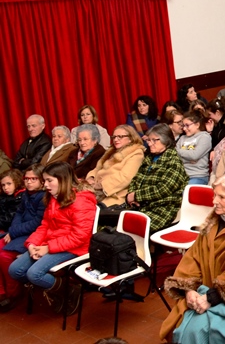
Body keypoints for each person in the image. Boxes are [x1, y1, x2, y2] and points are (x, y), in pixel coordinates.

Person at [159, 174, 225, 341]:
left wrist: (212, 297)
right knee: (178, 326)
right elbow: (194, 256)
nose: (214, 201)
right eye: (214, 195)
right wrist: (189, 289)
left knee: (195, 332)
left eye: (222, 197)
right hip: (201, 293)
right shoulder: (213, 220)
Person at [9, 162, 95, 315]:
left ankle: (69, 289)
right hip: (52, 243)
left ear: (62, 180)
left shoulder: (81, 201)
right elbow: (45, 225)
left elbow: (80, 236)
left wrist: (48, 248)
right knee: (15, 270)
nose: (45, 185)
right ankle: (60, 288)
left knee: (34, 274)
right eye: (45, 180)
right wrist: (32, 244)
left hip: (73, 247)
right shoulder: (54, 197)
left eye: (49, 180)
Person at [126, 124, 189, 232]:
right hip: (141, 205)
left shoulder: (174, 162)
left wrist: (136, 195)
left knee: (129, 229)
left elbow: (163, 189)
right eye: (149, 140)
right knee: (112, 227)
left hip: (162, 208)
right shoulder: (149, 158)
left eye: (154, 140)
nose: (149, 144)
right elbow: (136, 179)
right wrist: (131, 195)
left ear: (166, 140)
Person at [0, 165, 45, 311]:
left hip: (32, 234)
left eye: (33, 179)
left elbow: (37, 223)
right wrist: (13, 230)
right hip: (19, 232)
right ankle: (1, 291)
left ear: (42, 181)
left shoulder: (43, 197)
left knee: (5, 255)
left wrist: (14, 232)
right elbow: (18, 214)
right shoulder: (26, 194)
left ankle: (14, 294)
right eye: (27, 179)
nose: (29, 182)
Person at [85, 125, 145, 210]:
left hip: (115, 195)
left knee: (86, 209)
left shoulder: (136, 154)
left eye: (120, 137)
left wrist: (101, 185)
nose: (116, 139)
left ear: (131, 138)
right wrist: (91, 177)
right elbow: (97, 169)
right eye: (114, 137)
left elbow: (125, 178)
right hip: (96, 190)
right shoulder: (111, 151)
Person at [176, 111, 213, 185]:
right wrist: (189, 159)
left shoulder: (204, 137)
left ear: (197, 125)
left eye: (187, 125)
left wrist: (180, 152)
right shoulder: (182, 138)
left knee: (186, 192)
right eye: (183, 125)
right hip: (180, 175)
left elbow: (194, 155)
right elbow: (174, 155)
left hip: (197, 176)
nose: (184, 128)